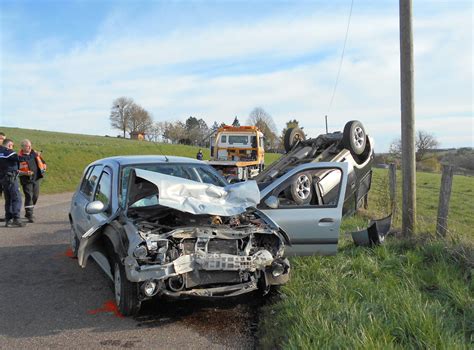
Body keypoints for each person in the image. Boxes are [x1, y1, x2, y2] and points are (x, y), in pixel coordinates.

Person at [18, 139, 46, 223]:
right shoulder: (19, 157)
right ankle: (29, 214)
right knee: (29, 196)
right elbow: (17, 170)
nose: (30, 147)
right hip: (26, 180)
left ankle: (29, 210)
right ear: (22, 147)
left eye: (30, 145)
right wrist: (25, 173)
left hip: (36, 178)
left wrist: (43, 168)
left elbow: (43, 163)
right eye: (27, 146)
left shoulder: (35, 154)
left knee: (35, 196)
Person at [0, 139, 25, 227]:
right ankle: (16, 218)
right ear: (10, 145)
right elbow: (20, 159)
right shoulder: (9, 152)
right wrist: (32, 156)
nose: (12, 147)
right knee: (17, 198)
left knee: (8, 200)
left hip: (3, 179)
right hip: (11, 178)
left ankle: (8, 220)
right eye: (12, 146)